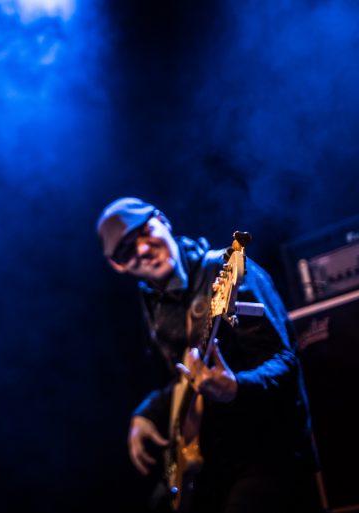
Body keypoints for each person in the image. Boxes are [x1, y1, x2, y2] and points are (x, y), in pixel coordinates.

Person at [96, 197, 321, 513]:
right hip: (210, 459)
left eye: (145, 233)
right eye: (127, 252)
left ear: (163, 218)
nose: (142, 250)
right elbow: (185, 377)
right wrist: (147, 412)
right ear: (117, 265)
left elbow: (285, 361)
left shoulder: (226, 272)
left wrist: (236, 387)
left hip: (267, 451)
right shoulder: (152, 302)